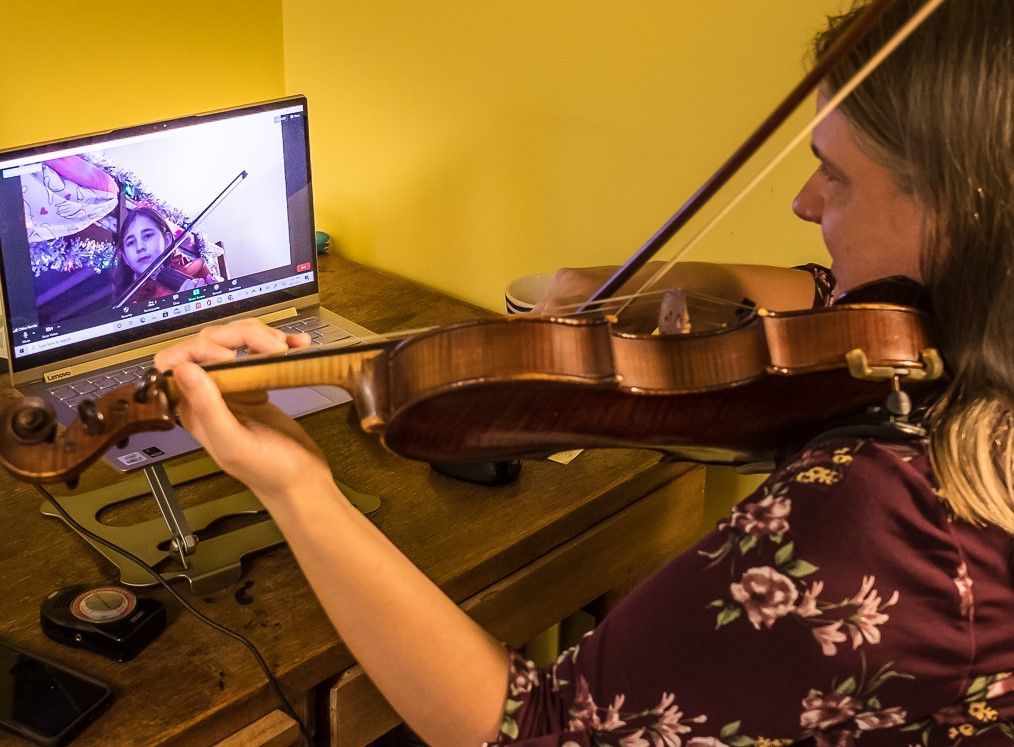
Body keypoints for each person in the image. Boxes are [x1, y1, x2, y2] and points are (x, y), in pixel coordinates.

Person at [153, 1, 1012, 744]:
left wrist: (297, 484)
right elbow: (821, 293)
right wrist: (608, 295)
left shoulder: (894, 517)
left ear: (965, 208)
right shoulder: (967, 336)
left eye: (838, 173)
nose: (804, 203)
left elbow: (530, 726)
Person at [112, 206, 214, 304]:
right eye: (130, 242)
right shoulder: (125, 300)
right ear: (125, 257)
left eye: (147, 236)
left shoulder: (195, 272)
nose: (140, 247)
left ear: (167, 241)